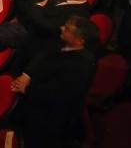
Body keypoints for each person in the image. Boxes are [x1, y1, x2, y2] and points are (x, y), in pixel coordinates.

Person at [10, 16, 99, 148]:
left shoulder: (82, 66)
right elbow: (42, 56)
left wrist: (27, 89)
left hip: (48, 117)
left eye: (67, 29)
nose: (61, 28)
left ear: (80, 40)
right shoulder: (63, 43)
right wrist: (27, 75)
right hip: (35, 94)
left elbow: (58, 95)